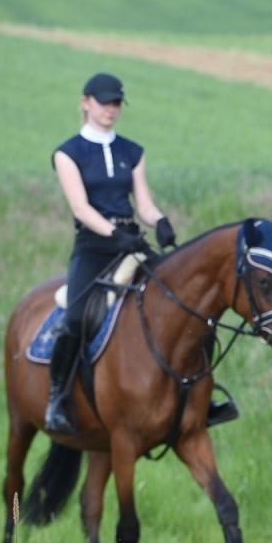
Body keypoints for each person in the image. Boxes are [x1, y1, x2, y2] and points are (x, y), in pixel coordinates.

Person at [45, 72, 176, 435]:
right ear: (85, 103)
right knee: (75, 318)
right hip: (94, 246)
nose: (110, 109)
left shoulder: (132, 152)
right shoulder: (68, 153)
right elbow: (81, 208)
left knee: (179, 300)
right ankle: (57, 399)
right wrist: (114, 234)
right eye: (104, 102)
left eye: (116, 103)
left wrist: (160, 221)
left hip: (131, 243)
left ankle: (195, 394)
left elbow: (143, 205)